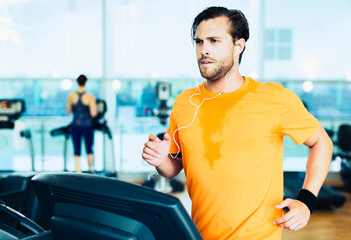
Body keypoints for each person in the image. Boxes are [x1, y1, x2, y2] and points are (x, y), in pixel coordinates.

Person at [142, 6, 333, 240]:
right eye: (199, 42)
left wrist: (307, 200)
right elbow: (175, 167)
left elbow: (322, 142)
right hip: (200, 234)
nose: (204, 49)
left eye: (214, 41)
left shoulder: (274, 98)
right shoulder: (185, 102)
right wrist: (161, 160)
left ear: (238, 45)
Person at [66, 74, 97, 173]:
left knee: (76, 149)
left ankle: (78, 170)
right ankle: (90, 169)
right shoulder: (90, 97)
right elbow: (93, 113)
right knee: (89, 148)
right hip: (87, 125)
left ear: (77, 82)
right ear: (85, 82)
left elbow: (68, 110)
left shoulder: (71, 96)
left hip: (76, 125)